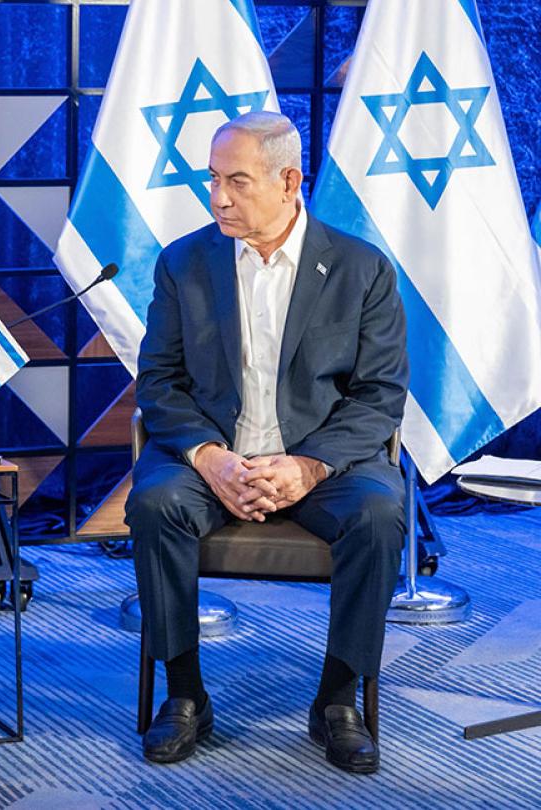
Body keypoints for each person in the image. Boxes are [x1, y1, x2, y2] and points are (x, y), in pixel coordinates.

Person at [126, 111, 408, 774]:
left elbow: (380, 397)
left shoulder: (362, 270)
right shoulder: (183, 264)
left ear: (289, 182)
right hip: (212, 460)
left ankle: (338, 701)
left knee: (379, 512)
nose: (218, 197)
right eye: (213, 180)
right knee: (155, 502)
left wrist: (309, 466)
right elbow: (159, 384)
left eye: (237, 182)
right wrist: (210, 457)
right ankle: (186, 693)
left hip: (322, 462)